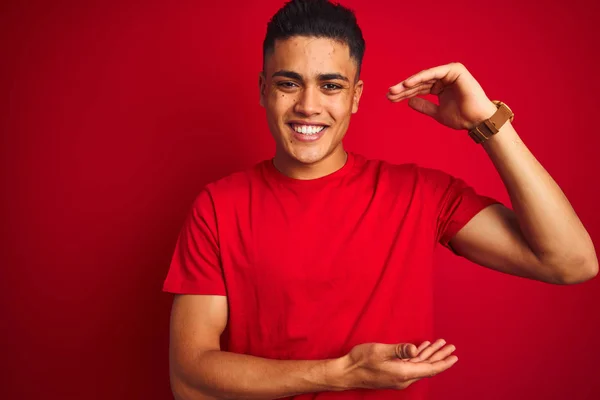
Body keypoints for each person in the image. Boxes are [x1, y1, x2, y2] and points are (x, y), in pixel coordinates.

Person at [162, 0, 598, 399]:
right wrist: (343, 373)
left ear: (355, 97)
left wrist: (487, 122)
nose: (309, 105)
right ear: (263, 90)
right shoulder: (218, 206)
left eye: (331, 85)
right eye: (289, 83)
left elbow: (571, 262)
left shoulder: (420, 194)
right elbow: (191, 375)